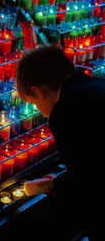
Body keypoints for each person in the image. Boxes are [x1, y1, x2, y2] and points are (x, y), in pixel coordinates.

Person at [16, 45, 105, 240]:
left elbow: (89, 179)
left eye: (34, 103)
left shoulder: (65, 111)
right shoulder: (96, 86)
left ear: (38, 91)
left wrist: (56, 187)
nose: (39, 110)